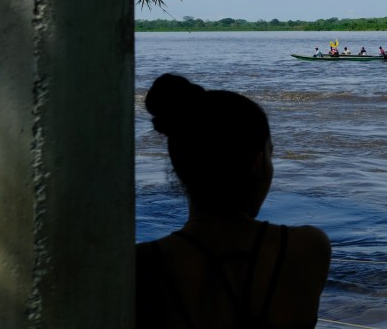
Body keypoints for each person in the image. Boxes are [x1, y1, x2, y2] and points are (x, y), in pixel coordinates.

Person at [136, 73, 331, 329]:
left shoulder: (142, 265)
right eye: (271, 154)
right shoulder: (306, 248)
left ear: (180, 167)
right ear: (258, 163)